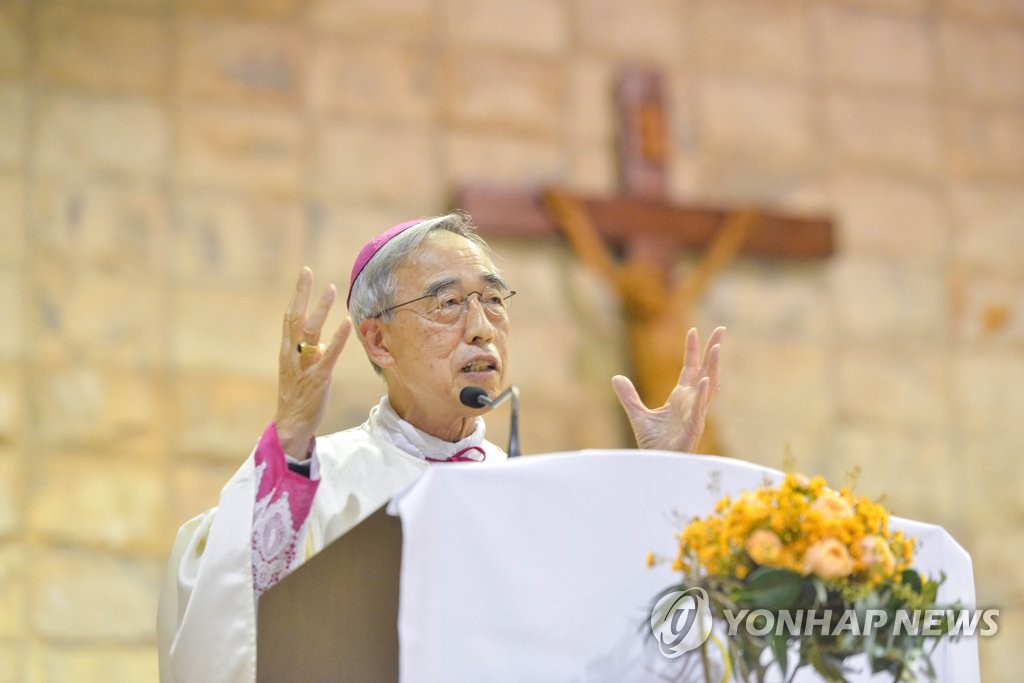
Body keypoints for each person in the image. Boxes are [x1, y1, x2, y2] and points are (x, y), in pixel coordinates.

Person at [157, 211, 723, 683]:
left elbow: (633, 638)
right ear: (378, 341)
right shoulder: (317, 478)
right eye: (448, 303)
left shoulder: (543, 495)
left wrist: (660, 482)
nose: (481, 327)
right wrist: (289, 444)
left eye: (494, 301)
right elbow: (230, 621)